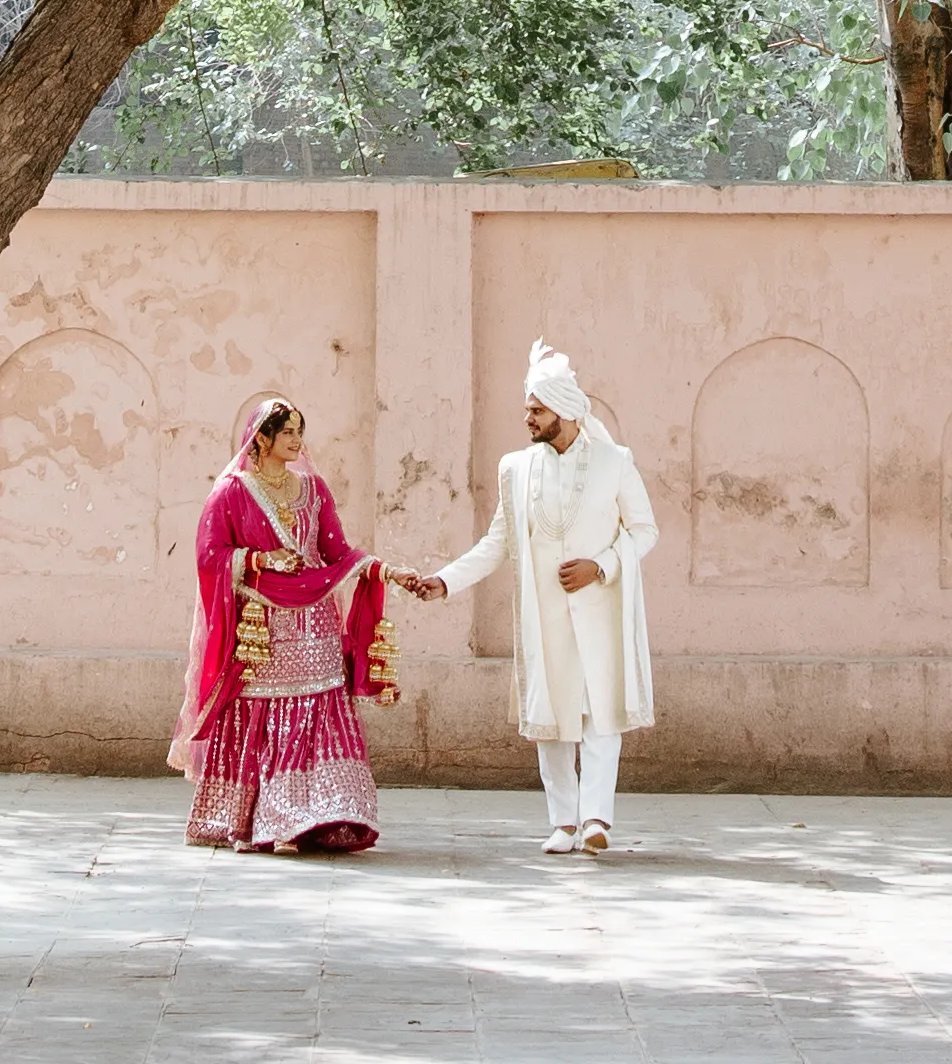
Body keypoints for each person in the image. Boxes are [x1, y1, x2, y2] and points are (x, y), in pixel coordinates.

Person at [396, 339, 657, 853]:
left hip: (601, 607)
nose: (528, 419)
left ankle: (596, 820)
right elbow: (498, 542)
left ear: (562, 408)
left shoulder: (614, 461)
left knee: (601, 711)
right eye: (527, 409)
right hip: (544, 614)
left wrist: (600, 566)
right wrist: (446, 581)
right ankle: (563, 822)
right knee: (553, 716)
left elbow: (645, 531)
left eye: (536, 410)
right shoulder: (515, 469)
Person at [173, 393, 396, 852]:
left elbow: (337, 552)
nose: (297, 441)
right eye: (287, 432)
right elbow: (208, 556)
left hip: (317, 624)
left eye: (299, 432)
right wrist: (260, 559)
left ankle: (320, 815)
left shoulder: (313, 490)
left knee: (320, 712)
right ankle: (271, 820)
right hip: (264, 629)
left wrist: (381, 570)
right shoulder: (233, 491)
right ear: (263, 438)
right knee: (268, 717)